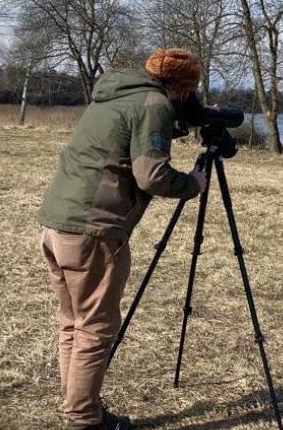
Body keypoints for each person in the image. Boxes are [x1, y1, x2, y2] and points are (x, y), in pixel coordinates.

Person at [38, 48, 208, 430]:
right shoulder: (155, 104)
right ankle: (85, 418)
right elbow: (152, 175)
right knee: (95, 329)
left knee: (73, 323)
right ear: (180, 87)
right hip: (94, 230)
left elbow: (128, 137)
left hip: (56, 224)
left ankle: (77, 406)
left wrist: (180, 118)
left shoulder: (117, 94)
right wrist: (193, 184)